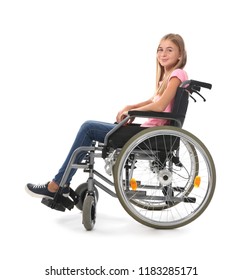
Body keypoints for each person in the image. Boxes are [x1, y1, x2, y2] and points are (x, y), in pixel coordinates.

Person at [26, 33, 188, 199]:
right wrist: (131, 107)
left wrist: (130, 113)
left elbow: (160, 106)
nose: (163, 54)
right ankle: (62, 184)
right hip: (147, 132)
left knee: (88, 128)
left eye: (169, 50)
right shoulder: (167, 77)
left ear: (180, 55)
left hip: (149, 135)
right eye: (160, 50)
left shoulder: (177, 74)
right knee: (89, 130)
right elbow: (153, 100)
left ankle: (57, 185)